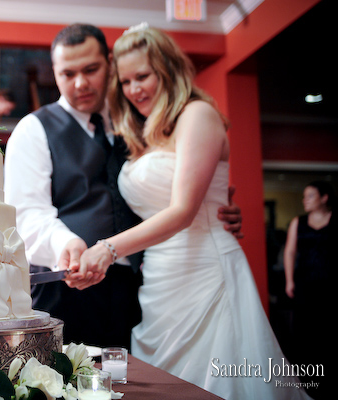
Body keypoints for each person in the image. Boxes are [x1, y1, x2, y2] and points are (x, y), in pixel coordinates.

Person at [71, 23, 311, 399]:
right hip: (161, 281)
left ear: (167, 69)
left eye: (143, 76)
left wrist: (108, 248)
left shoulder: (197, 114)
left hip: (206, 273)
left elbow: (183, 210)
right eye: (127, 81)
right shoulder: (145, 131)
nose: (135, 89)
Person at [3, 23, 242, 349]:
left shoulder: (141, 118)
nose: (80, 83)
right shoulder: (33, 129)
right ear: (55, 73)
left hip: (136, 285)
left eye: (91, 69)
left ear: (110, 64)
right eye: (67, 73)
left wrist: (213, 209)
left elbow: (181, 185)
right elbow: (27, 214)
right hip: (66, 288)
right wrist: (68, 243)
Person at [283, 180, 335, 399]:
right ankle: (307, 382)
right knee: (304, 332)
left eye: (310, 196)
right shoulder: (299, 221)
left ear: (324, 198)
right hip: (305, 282)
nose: (305, 200)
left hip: (331, 284)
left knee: (328, 331)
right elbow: (290, 251)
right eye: (304, 196)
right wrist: (289, 280)